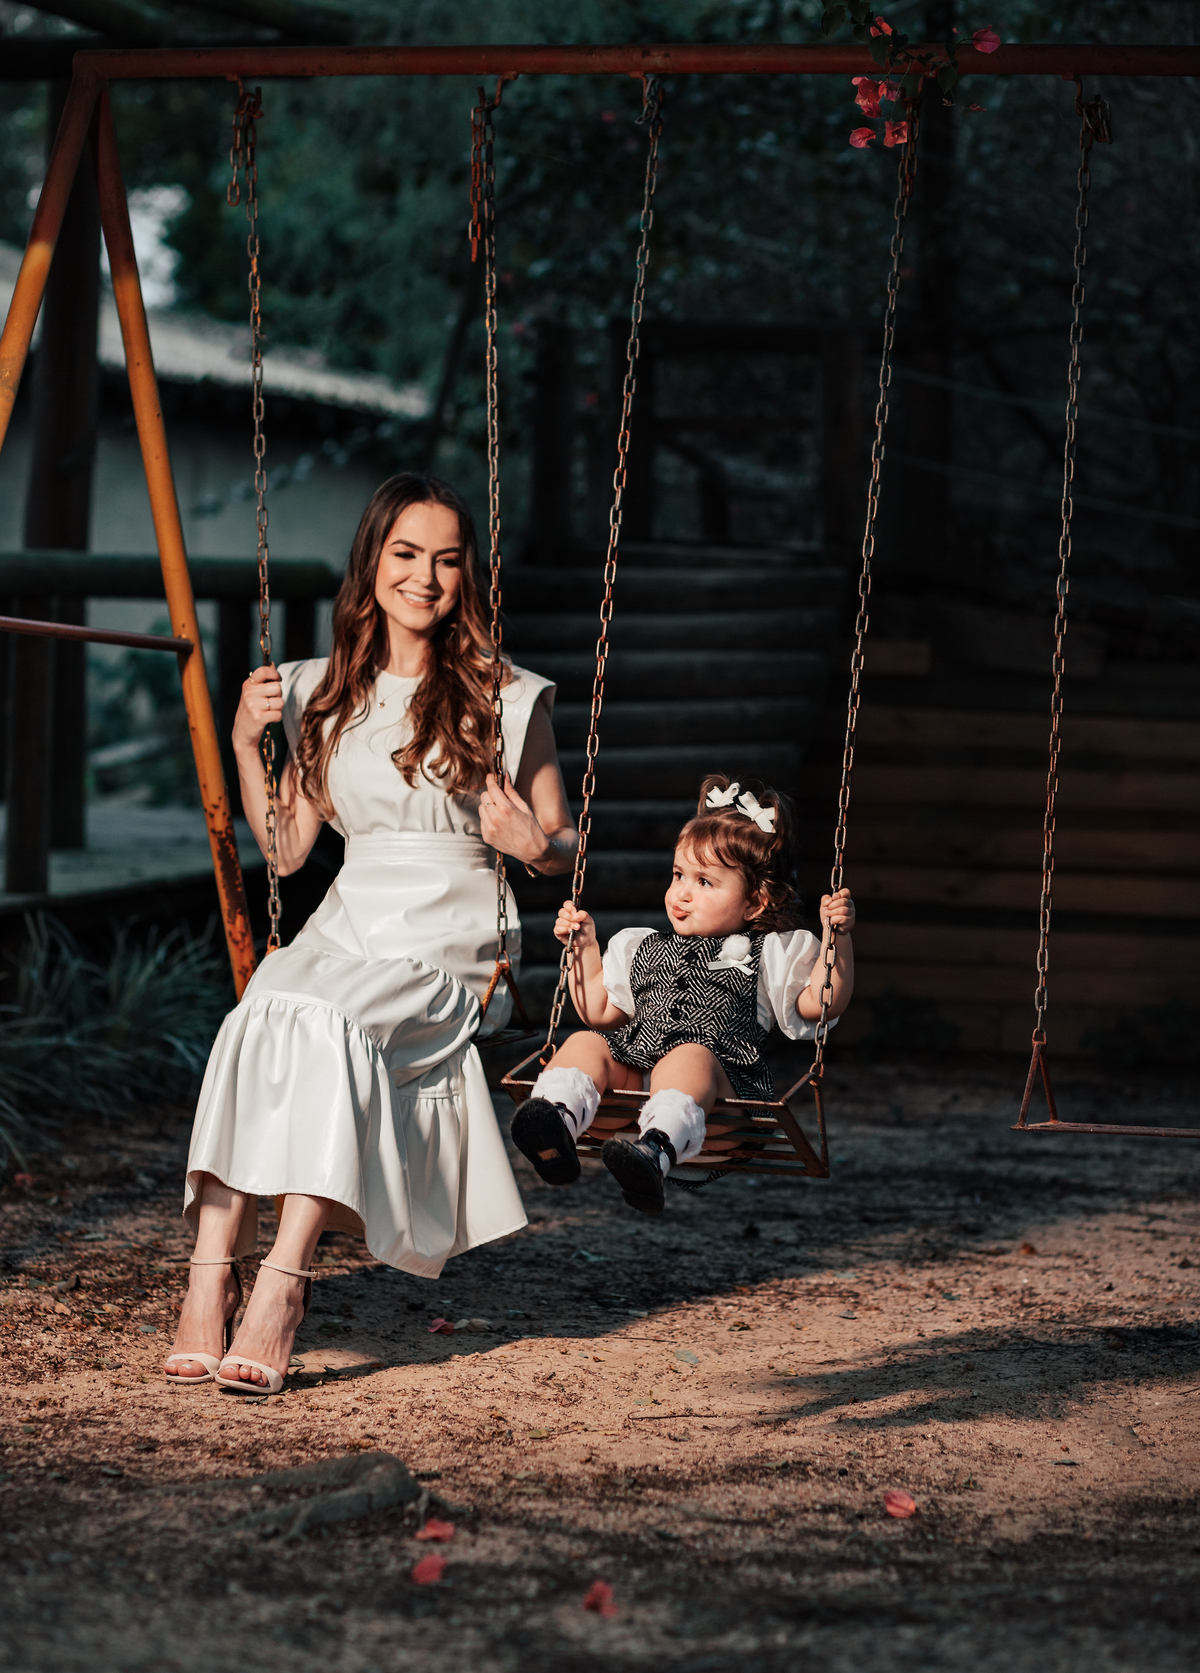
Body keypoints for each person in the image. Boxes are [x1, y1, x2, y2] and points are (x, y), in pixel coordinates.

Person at [163, 473, 576, 1393]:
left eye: (446, 560)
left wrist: (531, 844)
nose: (424, 577)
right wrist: (244, 745)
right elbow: (285, 851)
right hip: (348, 918)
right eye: (406, 554)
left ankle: (283, 1282)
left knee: (332, 1024)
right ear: (372, 561)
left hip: (451, 937)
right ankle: (208, 1277)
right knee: (257, 1010)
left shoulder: (506, 695)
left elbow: (563, 841)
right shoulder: (319, 689)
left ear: (467, 575)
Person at [508, 775, 855, 1214]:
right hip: (634, 1099)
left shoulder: (770, 953)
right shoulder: (642, 946)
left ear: (754, 903)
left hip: (720, 1112)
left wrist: (837, 940)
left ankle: (654, 1153)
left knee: (688, 1056)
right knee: (583, 1042)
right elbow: (599, 1011)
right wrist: (584, 949)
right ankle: (555, 1122)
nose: (682, 893)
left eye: (704, 882)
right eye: (678, 875)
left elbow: (821, 1003)